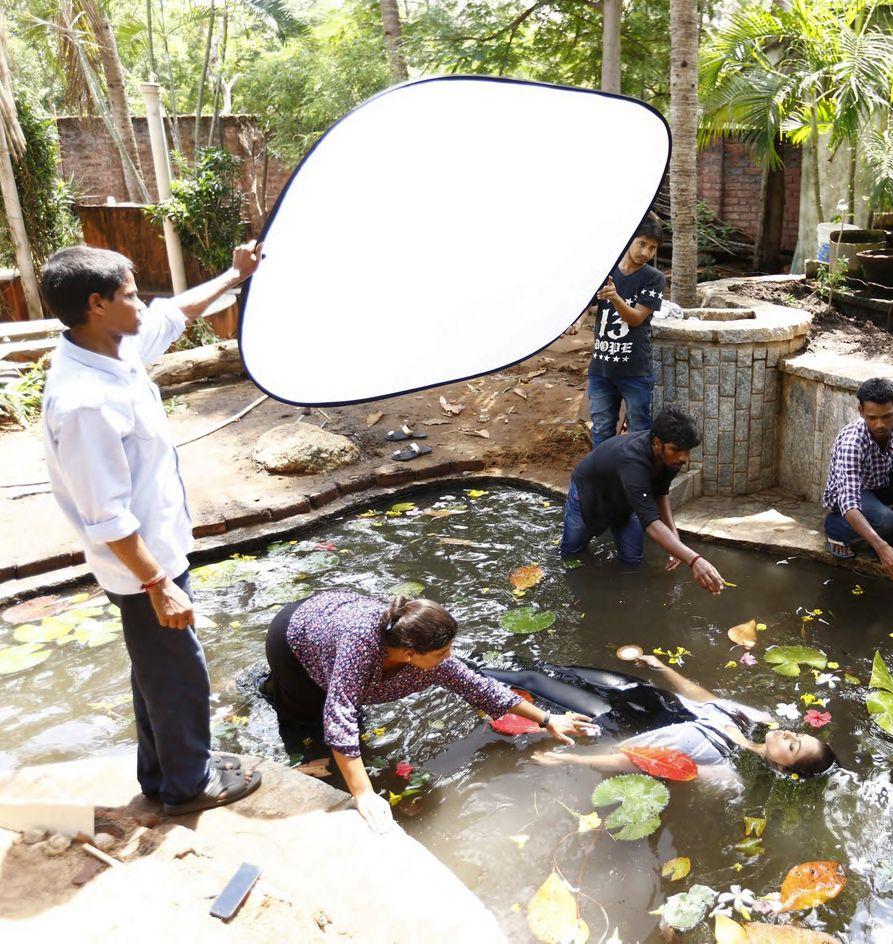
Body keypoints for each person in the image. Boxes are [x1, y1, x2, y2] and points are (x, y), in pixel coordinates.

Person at [40, 242, 264, 815]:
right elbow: (106, 513)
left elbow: (175, 313)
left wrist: (233, 275)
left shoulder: (112, 348)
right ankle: (191, 787)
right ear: (97, 304)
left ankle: (163, 775)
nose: (142, 303)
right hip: (145, 568)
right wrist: (157, 582)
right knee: (179, 676)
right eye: (130, 294)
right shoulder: (85, 401)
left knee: (155, 673)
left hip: (157, 556)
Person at [262, 590, 597, 832]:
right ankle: (274, 688)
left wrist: (549, 719)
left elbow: (478, 686)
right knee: (308, 718)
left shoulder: (428, 657)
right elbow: (340, 715)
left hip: (333, 622)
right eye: (441, 652)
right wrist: (364, 795)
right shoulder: (359, 649)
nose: (448, 658)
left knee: (349, 713)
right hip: (296, 637)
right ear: (409, 653)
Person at [498, 655, 837, 782]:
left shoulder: (725, 772)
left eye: (793, 747)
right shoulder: (753, 718)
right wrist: (664, 668)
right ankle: (474, 662)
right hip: (642, 692)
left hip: (615, 721)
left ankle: (458, 670)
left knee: (533, 682)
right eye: (798, 735)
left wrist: (571, 759)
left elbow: (648, 762)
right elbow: (705, 698)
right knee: (555, 669)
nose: (788, 736)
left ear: (782, 769)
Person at [561, 406, 725, 593]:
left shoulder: (670, 458)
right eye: (677, 450)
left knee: (632, 560)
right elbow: (651, 523)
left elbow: (661, 493)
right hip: (590, 494)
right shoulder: (632, 460)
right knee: (572, 552)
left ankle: (627, 598)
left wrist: (674, 539)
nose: (683, 458)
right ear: (656, 442)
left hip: (627, 500)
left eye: (687, 451)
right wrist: (695, 560)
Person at [821, 377, 893, 586]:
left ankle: (884, 535)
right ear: (861, 410)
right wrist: (881, 548)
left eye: (887, 417)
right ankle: (835, 528)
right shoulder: (852, 443)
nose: (880, 425)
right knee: (887, 521)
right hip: (854, 495)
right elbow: (849, 503)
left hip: (884, 481)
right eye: (872, 417)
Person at [587, 211, 666, 445]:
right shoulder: (605, 270)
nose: (646, 253)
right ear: (629, 238)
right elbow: (588, 304)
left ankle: (634, 477)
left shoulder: (654, 278)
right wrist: (575, 322)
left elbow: (636, 319)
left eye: (652, 248)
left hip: (635, 371)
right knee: (601, 430)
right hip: (601, 369)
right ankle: (602, 478)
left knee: (638, 431)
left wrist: (616, 298)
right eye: (642, 244)